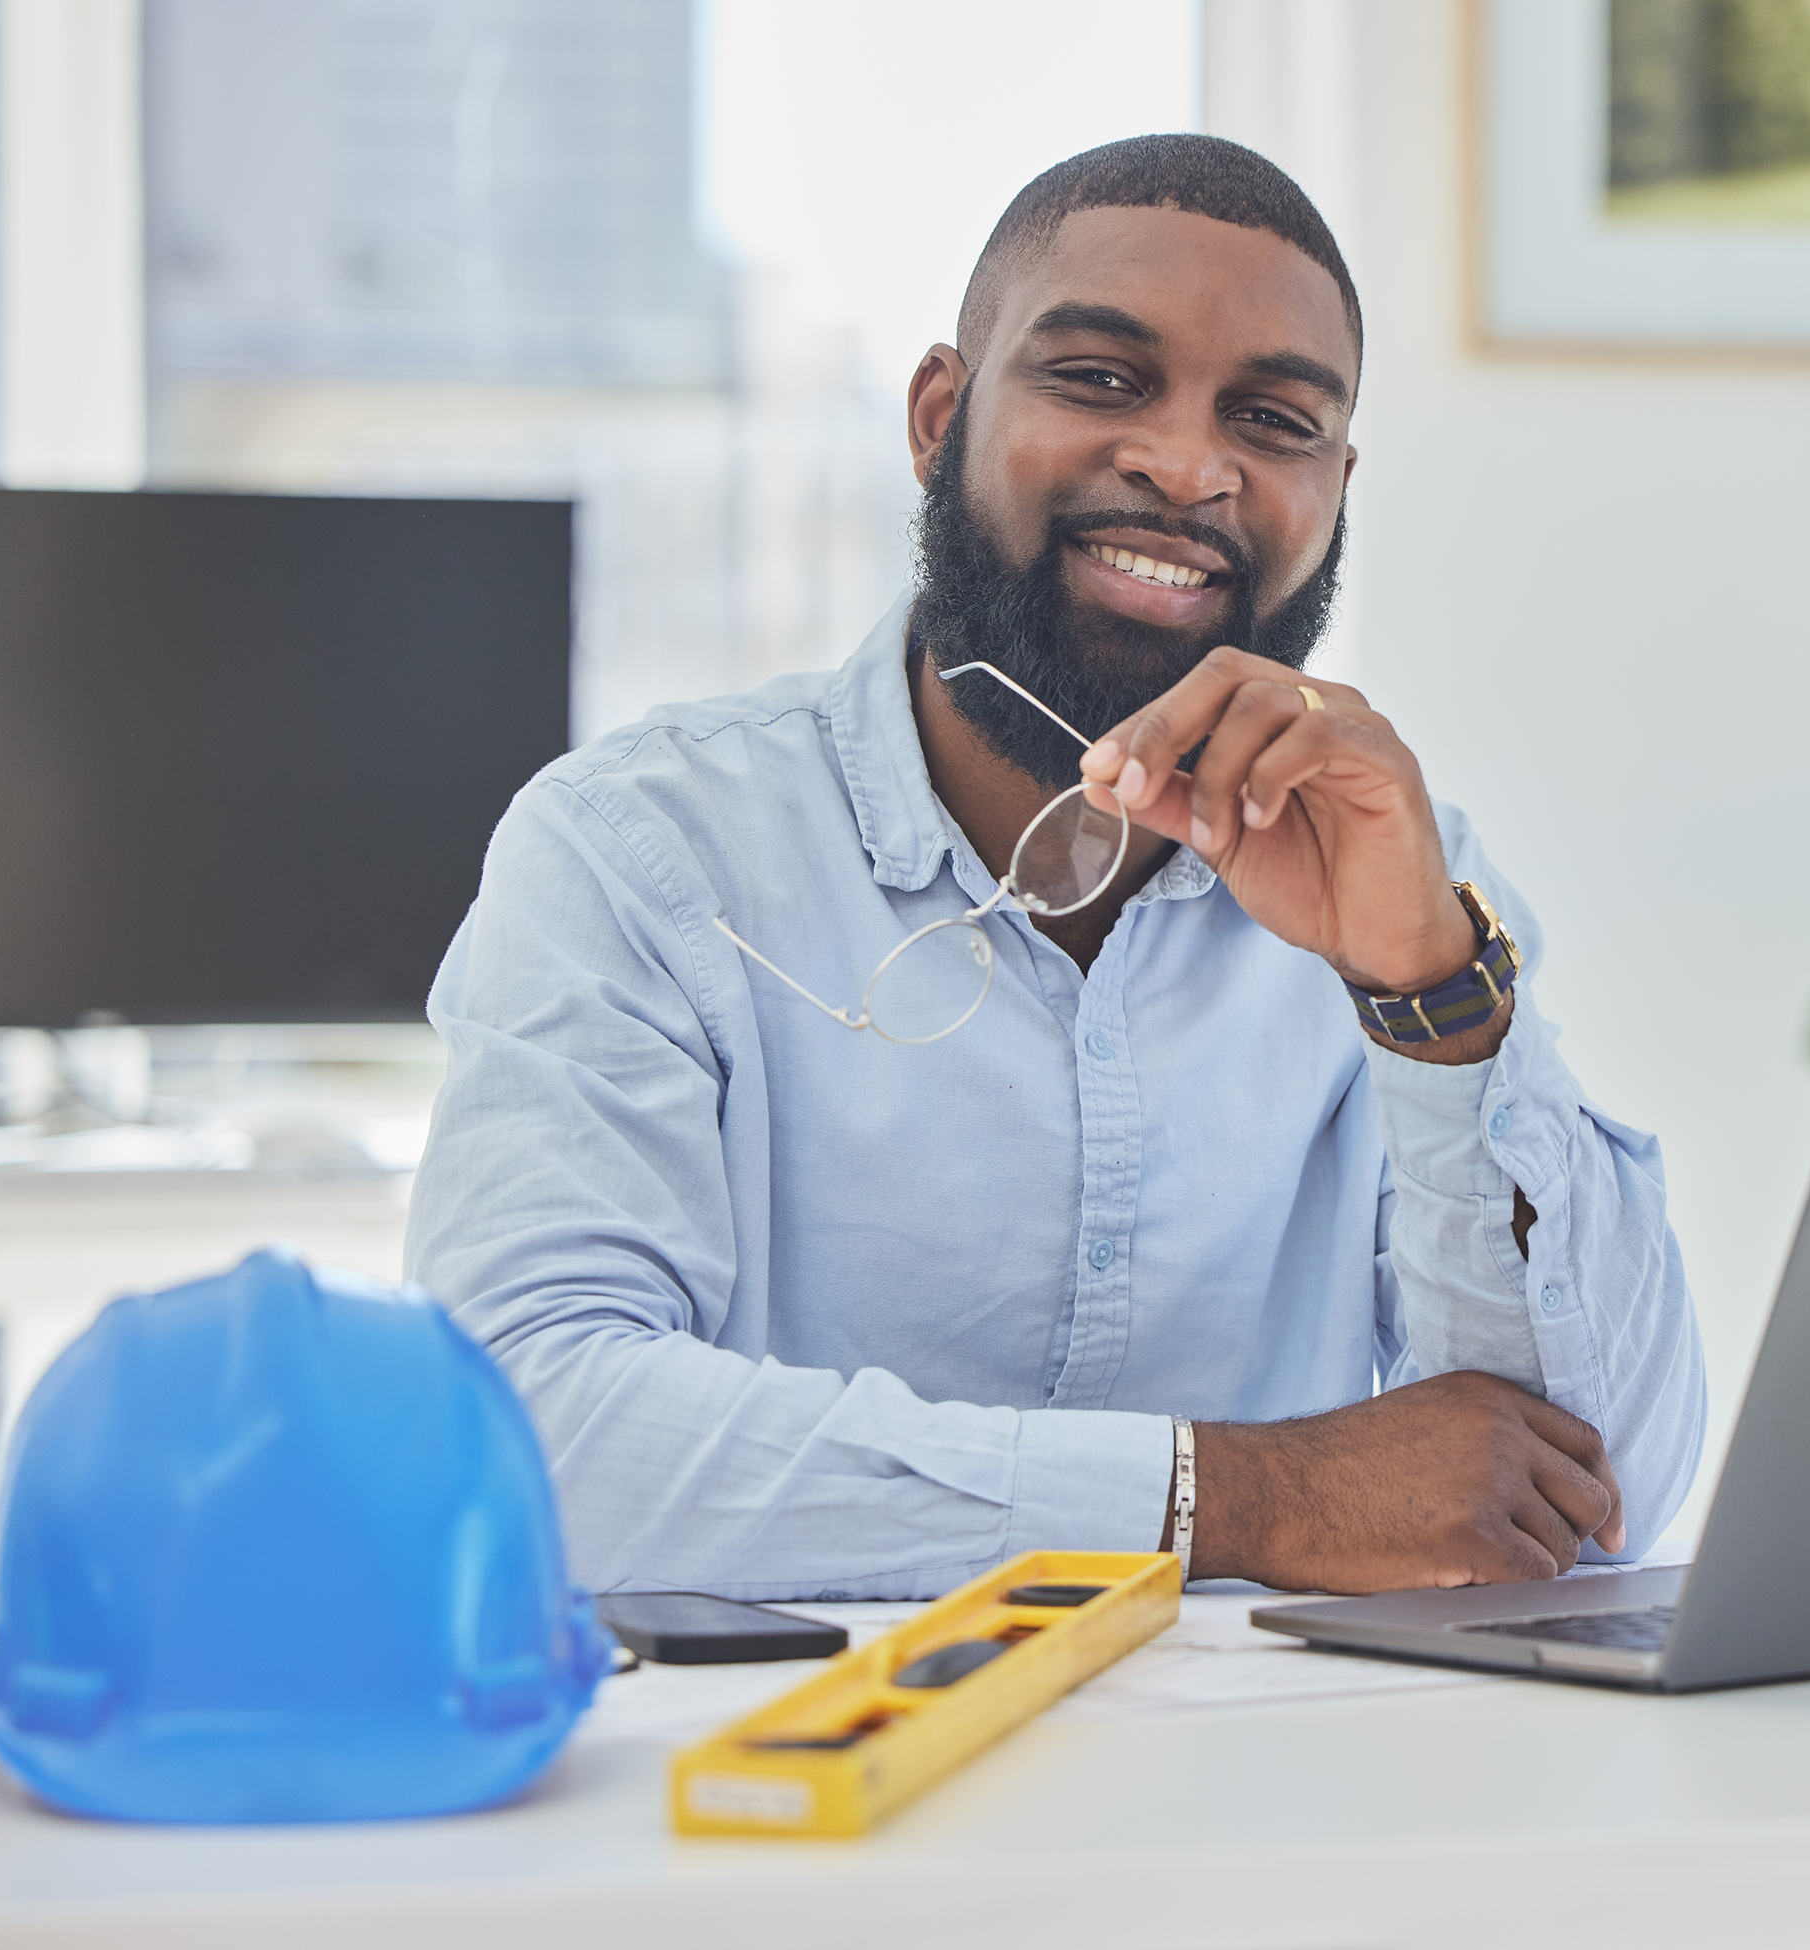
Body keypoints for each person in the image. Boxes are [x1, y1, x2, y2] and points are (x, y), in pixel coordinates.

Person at [406, 135, 1705, 1603]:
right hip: (789, 1798)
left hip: (1296, 1801)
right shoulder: (642, 851)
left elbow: (1610, 1496)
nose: (1186, 462)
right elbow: (521, 1434)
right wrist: (1234, 1499)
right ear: (939, 415)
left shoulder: (1404, 882)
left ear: (1334, 490)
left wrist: (1433, 1000)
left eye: (1272, 419)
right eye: (1100, 378)